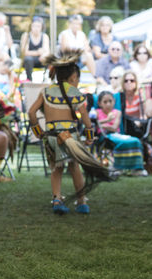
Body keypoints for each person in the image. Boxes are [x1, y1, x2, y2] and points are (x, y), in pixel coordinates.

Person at [28, 50, 111, 215]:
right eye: (78, 79)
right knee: (74, 166)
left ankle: (57, 199)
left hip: (51, 137)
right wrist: (89, 136)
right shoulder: (74, 92)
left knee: (57, 168)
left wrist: (38, 132)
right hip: (70, 135)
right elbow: (86, 119)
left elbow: (31, 113)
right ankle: (81, 201)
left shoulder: (46, 91)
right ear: (73, 77)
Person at [95, 91, 147, 176]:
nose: (108, 104)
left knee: (136, 141)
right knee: (122, 142)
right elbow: (93, 123)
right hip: (105, 136)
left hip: (117, 135)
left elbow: (114, 127)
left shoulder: (117, 112)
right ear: (99, 103)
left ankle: (137, 168)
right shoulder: (96, 112)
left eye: (110, 101)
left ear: (114, 102)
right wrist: (107, 120)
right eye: (105, 102)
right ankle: (118, 167)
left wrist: (101, 125)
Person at [20, 16, 50, 81]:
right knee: (28, 59)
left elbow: (47, 51)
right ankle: (29, 80)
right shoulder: (26, 35)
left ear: (42, 27)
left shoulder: (44, 36)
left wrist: (43, 55)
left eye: (38, 26)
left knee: (48, 59)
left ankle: (45, 79)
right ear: (31, 26)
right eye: (34, 26)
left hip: (40, 60)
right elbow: (24, 52)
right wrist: (38, 52)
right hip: (28, 61)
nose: (36, 28)